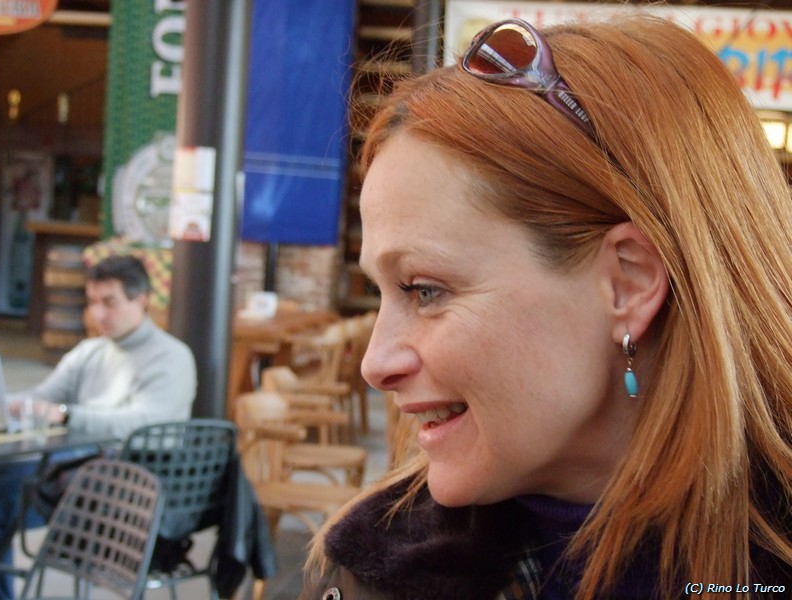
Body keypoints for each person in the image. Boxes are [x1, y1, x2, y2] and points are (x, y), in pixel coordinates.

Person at [299, 14, 792, 600]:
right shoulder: (371, 573)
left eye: (425, 290)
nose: (375, 364)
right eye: (383, 292)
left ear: (628, 285)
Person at [0, 254, 197, 599]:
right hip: (76, 470)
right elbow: (43, 397)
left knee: (4, 489)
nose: (99, 314)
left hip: (131, 484)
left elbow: (145, 422)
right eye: (92, 302)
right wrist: (6, 402)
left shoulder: (172, 356)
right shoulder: (90, 352)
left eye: (109, 302)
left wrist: (66, 415)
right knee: (2, 478)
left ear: (141, 300)